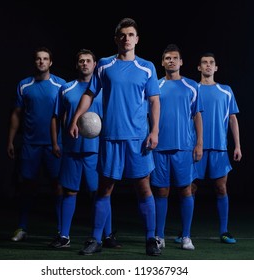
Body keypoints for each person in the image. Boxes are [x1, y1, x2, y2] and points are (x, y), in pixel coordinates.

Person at [69, 18, 162, 256]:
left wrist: (154, 130)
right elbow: (90, 93)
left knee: (143, 189)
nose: (126, 39)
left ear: (137, 39)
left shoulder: (147, 67)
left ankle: (151, 239)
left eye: (131, 34)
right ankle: (96, 239)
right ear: (116, 39)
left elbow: (154, 101)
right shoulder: (103, 65)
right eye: (122, 35)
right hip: (110, 137)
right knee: (104, 189)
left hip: (138, 139)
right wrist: (75, 118)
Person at [49, 49, 120, 249]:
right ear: (77, 64)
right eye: (81, 61)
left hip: (97, 150)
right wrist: (56, 143)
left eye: (88, 61)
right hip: (72, 150)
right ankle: (64, 236)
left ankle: (107, 236)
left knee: (100, 193)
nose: (85, 64)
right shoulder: (66, 88)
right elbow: (56, 117)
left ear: (95, 64)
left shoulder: (104, 89)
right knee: (69, 192)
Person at [175, 52, 242, 244]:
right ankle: (185, 232)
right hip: (194, 148)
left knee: (221, 188)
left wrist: (237, 145)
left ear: (216, 67)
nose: (208, 66)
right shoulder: (191, 89)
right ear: (198, 67)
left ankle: (224, 231)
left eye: (211, 63)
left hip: (219, 148)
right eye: (204, 62)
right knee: (189, 189)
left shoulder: (226, 90)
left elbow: (233, 119)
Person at [7, 46, 66, 242]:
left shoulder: (61, 85)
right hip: (30, 144)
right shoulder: (24, 85)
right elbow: (16, 114)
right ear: (35, 62)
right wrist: (11, 140)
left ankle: (61, 230)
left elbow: (67, 114)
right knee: (28, 186)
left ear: (51, 62)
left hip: (54, 145)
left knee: (58, 185)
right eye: (38, 59)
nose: (41, 62)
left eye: (45, 59)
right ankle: (22, 227)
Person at [151, 44, 203, 251]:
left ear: (181, 62)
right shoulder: (154, 86)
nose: (171, 61)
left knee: (185, 190)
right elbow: (147, 115)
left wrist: (199, 143)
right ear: (162, 62)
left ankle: (186, 236)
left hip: (184, 147)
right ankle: (159, 236)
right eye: (167, 58)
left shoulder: (191, 86)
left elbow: (197, 115)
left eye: (175, 58)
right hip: (159, 147)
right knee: (161, 191)